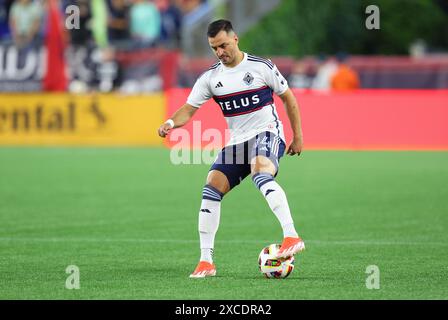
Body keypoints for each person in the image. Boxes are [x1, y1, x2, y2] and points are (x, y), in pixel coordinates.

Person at [157, 19, 305, 278]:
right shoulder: (211, 78)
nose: (220, 52)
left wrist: (298, 136)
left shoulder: (262, 67)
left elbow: (288, 97)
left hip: (267, 132)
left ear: (235, 39)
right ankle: (206, 262)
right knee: (211, 186)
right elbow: (189, 109)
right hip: (237, 142)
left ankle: (291, 235)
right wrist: (171, 122)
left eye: (223, 45)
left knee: (261, 173)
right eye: (214, 48)